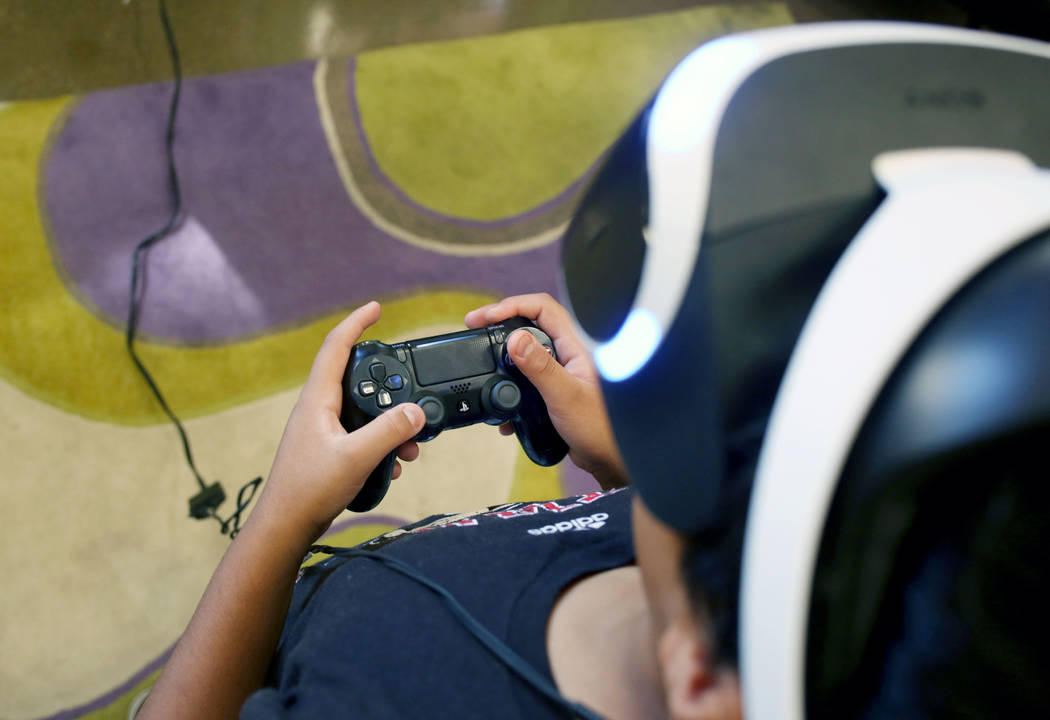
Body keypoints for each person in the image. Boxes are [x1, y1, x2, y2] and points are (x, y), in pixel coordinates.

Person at [138, 293, 744, 720]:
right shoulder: (683, 549)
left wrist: (283, 518)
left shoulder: (355, 705)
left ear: (698, 676)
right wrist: (618, 468)